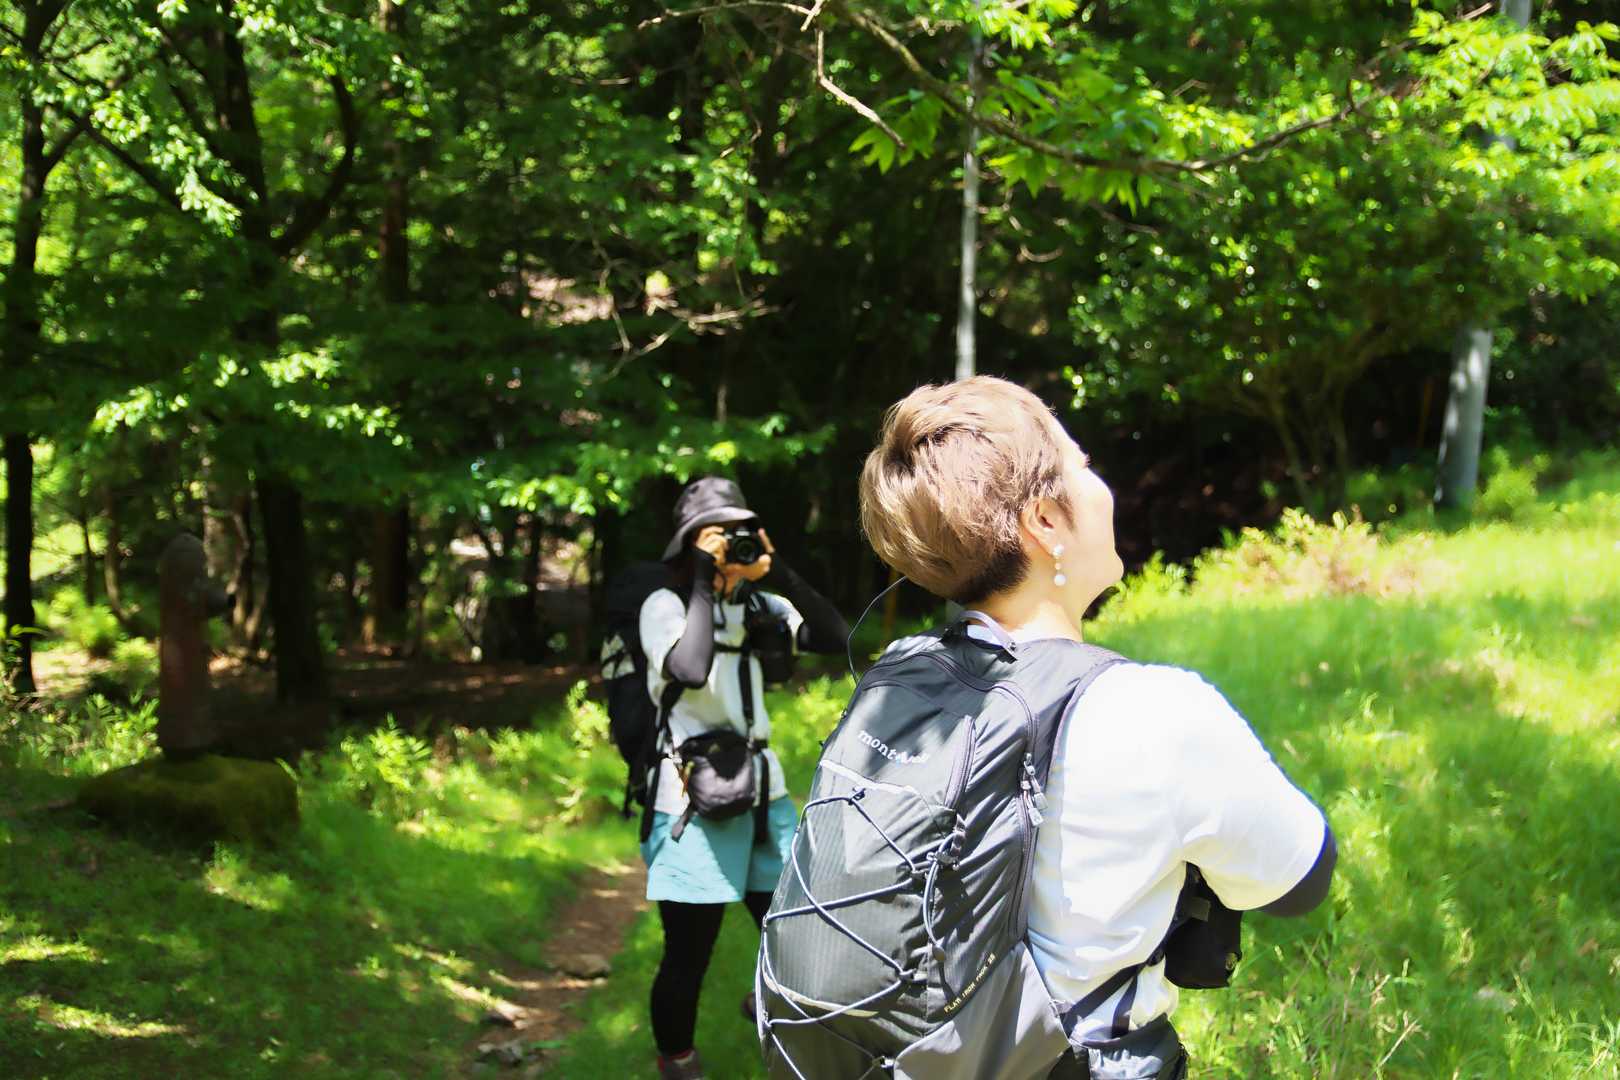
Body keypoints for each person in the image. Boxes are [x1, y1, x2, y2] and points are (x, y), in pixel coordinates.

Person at [844, 376, 1335, 1077]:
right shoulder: (1152, 711)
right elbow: (1301, 880)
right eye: (1082, 463)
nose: (1100, 484)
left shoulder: (900, 679)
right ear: (1046, 521)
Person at [639, 476, 850, 1080]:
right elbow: (690, 667)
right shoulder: (664, 606)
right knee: (689, 953)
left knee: (799, 927)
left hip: (764, 791)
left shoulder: (759, 604)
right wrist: (704, 582)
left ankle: (766, 1001)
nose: (730, 544)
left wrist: (777, 574)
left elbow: (835, 637)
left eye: (739, 532)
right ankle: (678, 1062)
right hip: (691, 799)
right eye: (717, 536)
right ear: (690, 543)